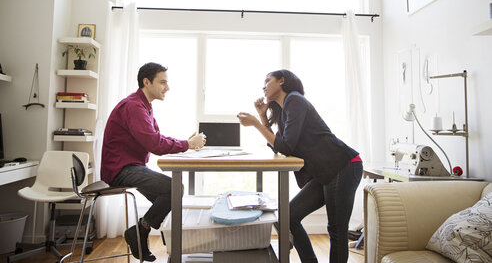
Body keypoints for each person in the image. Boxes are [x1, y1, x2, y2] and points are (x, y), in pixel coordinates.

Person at [237, 69, 363, 263]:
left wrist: (256, 124)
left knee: (336, 230)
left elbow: (285, 146)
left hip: (343, 166)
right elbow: (280, 145)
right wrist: (263, 117)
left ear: (281, 81)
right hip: (326, 172)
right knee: (288, 216)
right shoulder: (287, 108)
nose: (263, 86)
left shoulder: (295, 100)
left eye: (267, 80)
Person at [101, 62, 206, 261]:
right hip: (121, 170)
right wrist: (187, 144)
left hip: (130, 167)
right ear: (146, 82)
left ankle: (155, 237)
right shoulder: (134, 106)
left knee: (169, 198)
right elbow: (154, 144)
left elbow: (155, 137)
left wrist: (186, 143)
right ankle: (141, 232)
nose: (167, 87)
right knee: (174, 189)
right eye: (163, 82)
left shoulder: (144, 106)